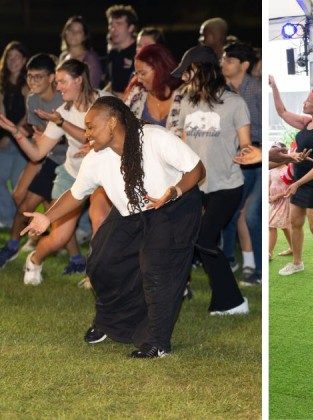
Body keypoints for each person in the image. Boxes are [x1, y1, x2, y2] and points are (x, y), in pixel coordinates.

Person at [21, 96, 205, 358]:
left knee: (157, 270)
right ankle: (111, 323)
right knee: (102, 262)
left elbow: (197, 169)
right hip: (131, 211)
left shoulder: (154, 138)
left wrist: (174, 191)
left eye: (90, 127)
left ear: (113, 122)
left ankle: (158, 342)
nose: (86, 135)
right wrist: (48, 217)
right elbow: (76, 194)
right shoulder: (97, 158)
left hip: (174, 207)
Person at [1, 59, 112, 285]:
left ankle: (94, 274)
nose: (58, 87)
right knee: (59, 237)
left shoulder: (104, 102)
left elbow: (100, 135)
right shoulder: (61, 112)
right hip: (72, 174)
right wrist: (16, 132)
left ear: (79, 80)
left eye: (62, 82)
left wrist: (85, 136)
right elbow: (37, 153)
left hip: (101, 174)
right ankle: (35, 258)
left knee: (99, 221)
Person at [173, 45, 250, 314]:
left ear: (202, 71)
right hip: (195, 186)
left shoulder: (235, 103)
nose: (183, 79)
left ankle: (233, 302)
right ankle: (180, 289)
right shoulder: (186, 103)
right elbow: (184, 146)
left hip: (227, 186)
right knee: (189, 239)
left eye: (187, 72)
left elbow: (246, 145)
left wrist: (251, 154)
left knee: (204, 241)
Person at [0, 53, 77, 270]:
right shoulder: (32, 99)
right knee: (25, 201)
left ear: (53, 77)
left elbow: (72, 135)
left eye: (38, 77)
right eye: (30, 77)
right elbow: (37, 134)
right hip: (46, 156)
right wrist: (37, 135)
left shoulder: (64, 99)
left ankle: (75, 258)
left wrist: (48, 135)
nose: (32, 82)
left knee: (53, 207)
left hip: (67, 159)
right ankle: (14, 245)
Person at [269, 75, 313, 282]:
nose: (304, 102)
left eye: (309, 100)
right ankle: (297, 262)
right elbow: (281, 112)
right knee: (295, 223)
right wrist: (275, 86)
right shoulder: (306, 122)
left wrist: (297, 183)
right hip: (299, 181)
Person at [221, 42, 262, 285]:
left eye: (228, 60)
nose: (223, 64)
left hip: (258, 159)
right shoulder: (221, 92)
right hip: (234, 157)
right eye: (223, 59)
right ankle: (235, 261)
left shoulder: (255, 91)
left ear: (244, 65)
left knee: (253, 214)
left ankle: (255, 270)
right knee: (231, 210)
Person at [0, 42, 30, 233]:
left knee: (17, 182)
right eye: (9, 57)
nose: (13, 61)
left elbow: (30, 114)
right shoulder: (2, 84)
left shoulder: (28, 83)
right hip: (6, 137)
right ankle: (6, 217)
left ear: (24, 60)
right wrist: (4, 134)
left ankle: (24, 220)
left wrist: (13, 132)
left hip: (23, 138)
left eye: (17, 57)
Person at [123, 44, 183, 131]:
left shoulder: (183, 97)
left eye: (143, 73)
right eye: (137, 74)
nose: (139, 79)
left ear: (160, 69)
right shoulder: (136, 95)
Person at [59, 15, 103, 89]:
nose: (74, 34)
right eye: (71, 30)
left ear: (85, 36)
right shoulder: (63, 56)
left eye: (78, 31)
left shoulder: (91, 58)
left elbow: (93, 87)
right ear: (65, 32)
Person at [105, 4, 138, 98]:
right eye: (111, 24)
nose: (113, 29)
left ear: (131, 28)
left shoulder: (139, 52)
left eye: (118, 24)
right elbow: (111, 84)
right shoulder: (113, 53)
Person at [269, 143, 293, 262]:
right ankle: (293, 247)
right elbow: (269, 183)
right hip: (274, 201)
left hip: (284, 200)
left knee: (271, 224)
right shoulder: (271, 169)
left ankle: (269, 252)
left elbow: (289, 188)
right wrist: (269, 196)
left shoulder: (287, 169)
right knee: (284, 226)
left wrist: (277, 196)